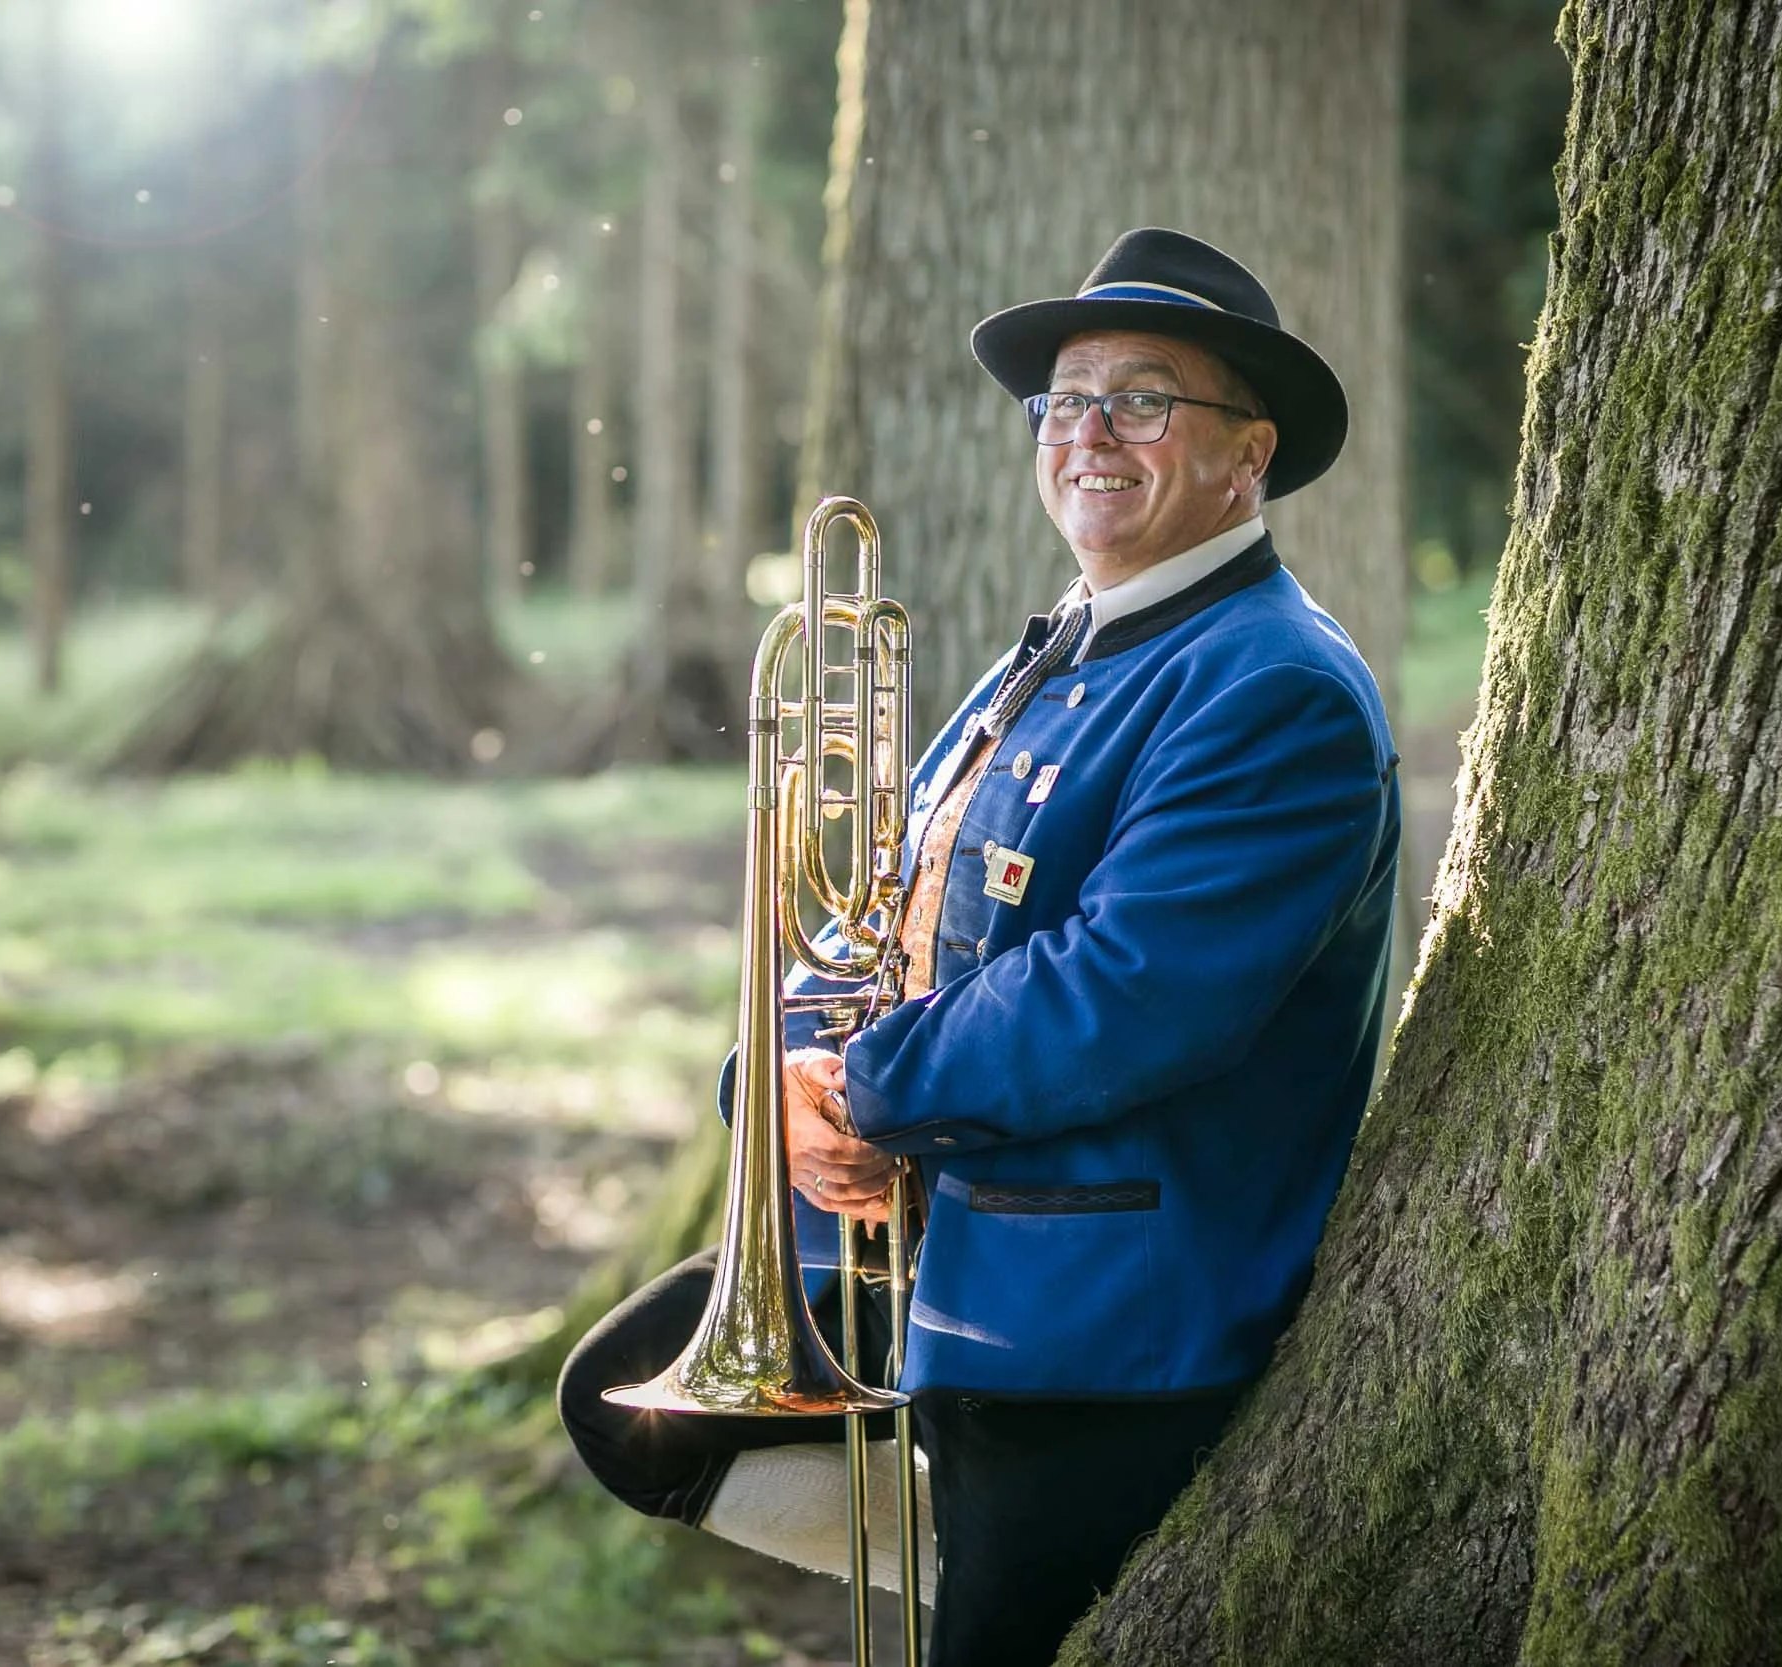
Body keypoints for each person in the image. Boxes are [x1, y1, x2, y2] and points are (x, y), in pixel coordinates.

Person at [559, 227, 1401, 1667]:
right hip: (947, 1240)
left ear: (1245, 453)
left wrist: (870, 1092)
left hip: (1104, 1316)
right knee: (630, 1395)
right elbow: (877, 917)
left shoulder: (1278, 685)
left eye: (1143, 398)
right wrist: (779, 1088)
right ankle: (988, 1567)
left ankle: (1028, 1578)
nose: (1089, 433)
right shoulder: (1062, 647)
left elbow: (1121, 995)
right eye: (1064, 401)